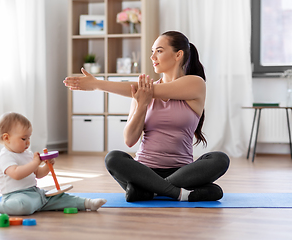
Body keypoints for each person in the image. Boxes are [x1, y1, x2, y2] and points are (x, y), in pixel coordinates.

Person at [63, 31, 230, 202]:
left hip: (182, 171)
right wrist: (142, 105)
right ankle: (177, 192)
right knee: (113, 158)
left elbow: (146, 90)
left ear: (178, 55)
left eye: (159, 51)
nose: (152, 57)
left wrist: (97, 84)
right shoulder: (140, 95)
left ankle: (150, 190)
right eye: (152, 51)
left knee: (219, 159)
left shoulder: (195, 83)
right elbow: (129, 140)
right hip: (143, 171)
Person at [0, 112, 106, 216]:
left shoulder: (27, 153)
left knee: (59, 197)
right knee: (23, 206)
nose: (27, 142)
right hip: (16, 196)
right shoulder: (5, 157)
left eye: (29, 138)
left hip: (35, 192)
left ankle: (88, 203)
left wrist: (47, 166)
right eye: (23, 138)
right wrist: (34, 163)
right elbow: (16, 174)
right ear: (6, 138)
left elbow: (37, 174)